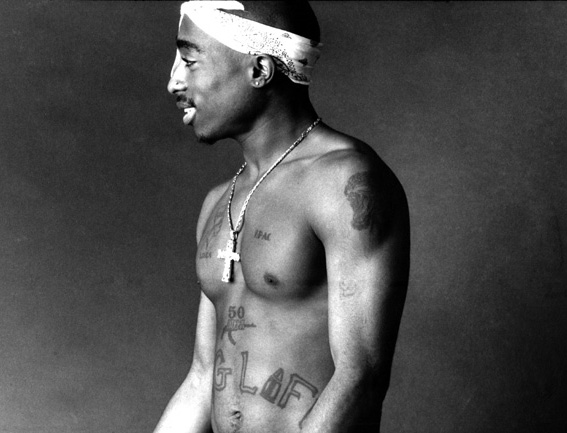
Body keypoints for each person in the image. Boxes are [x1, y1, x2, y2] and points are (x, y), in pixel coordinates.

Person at [154, 1, 410, 432]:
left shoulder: (344, 182)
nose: (174, 81)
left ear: (259, 70)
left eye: (190, 60)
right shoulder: (219, 202)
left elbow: (361, 377)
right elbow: (202, 377)